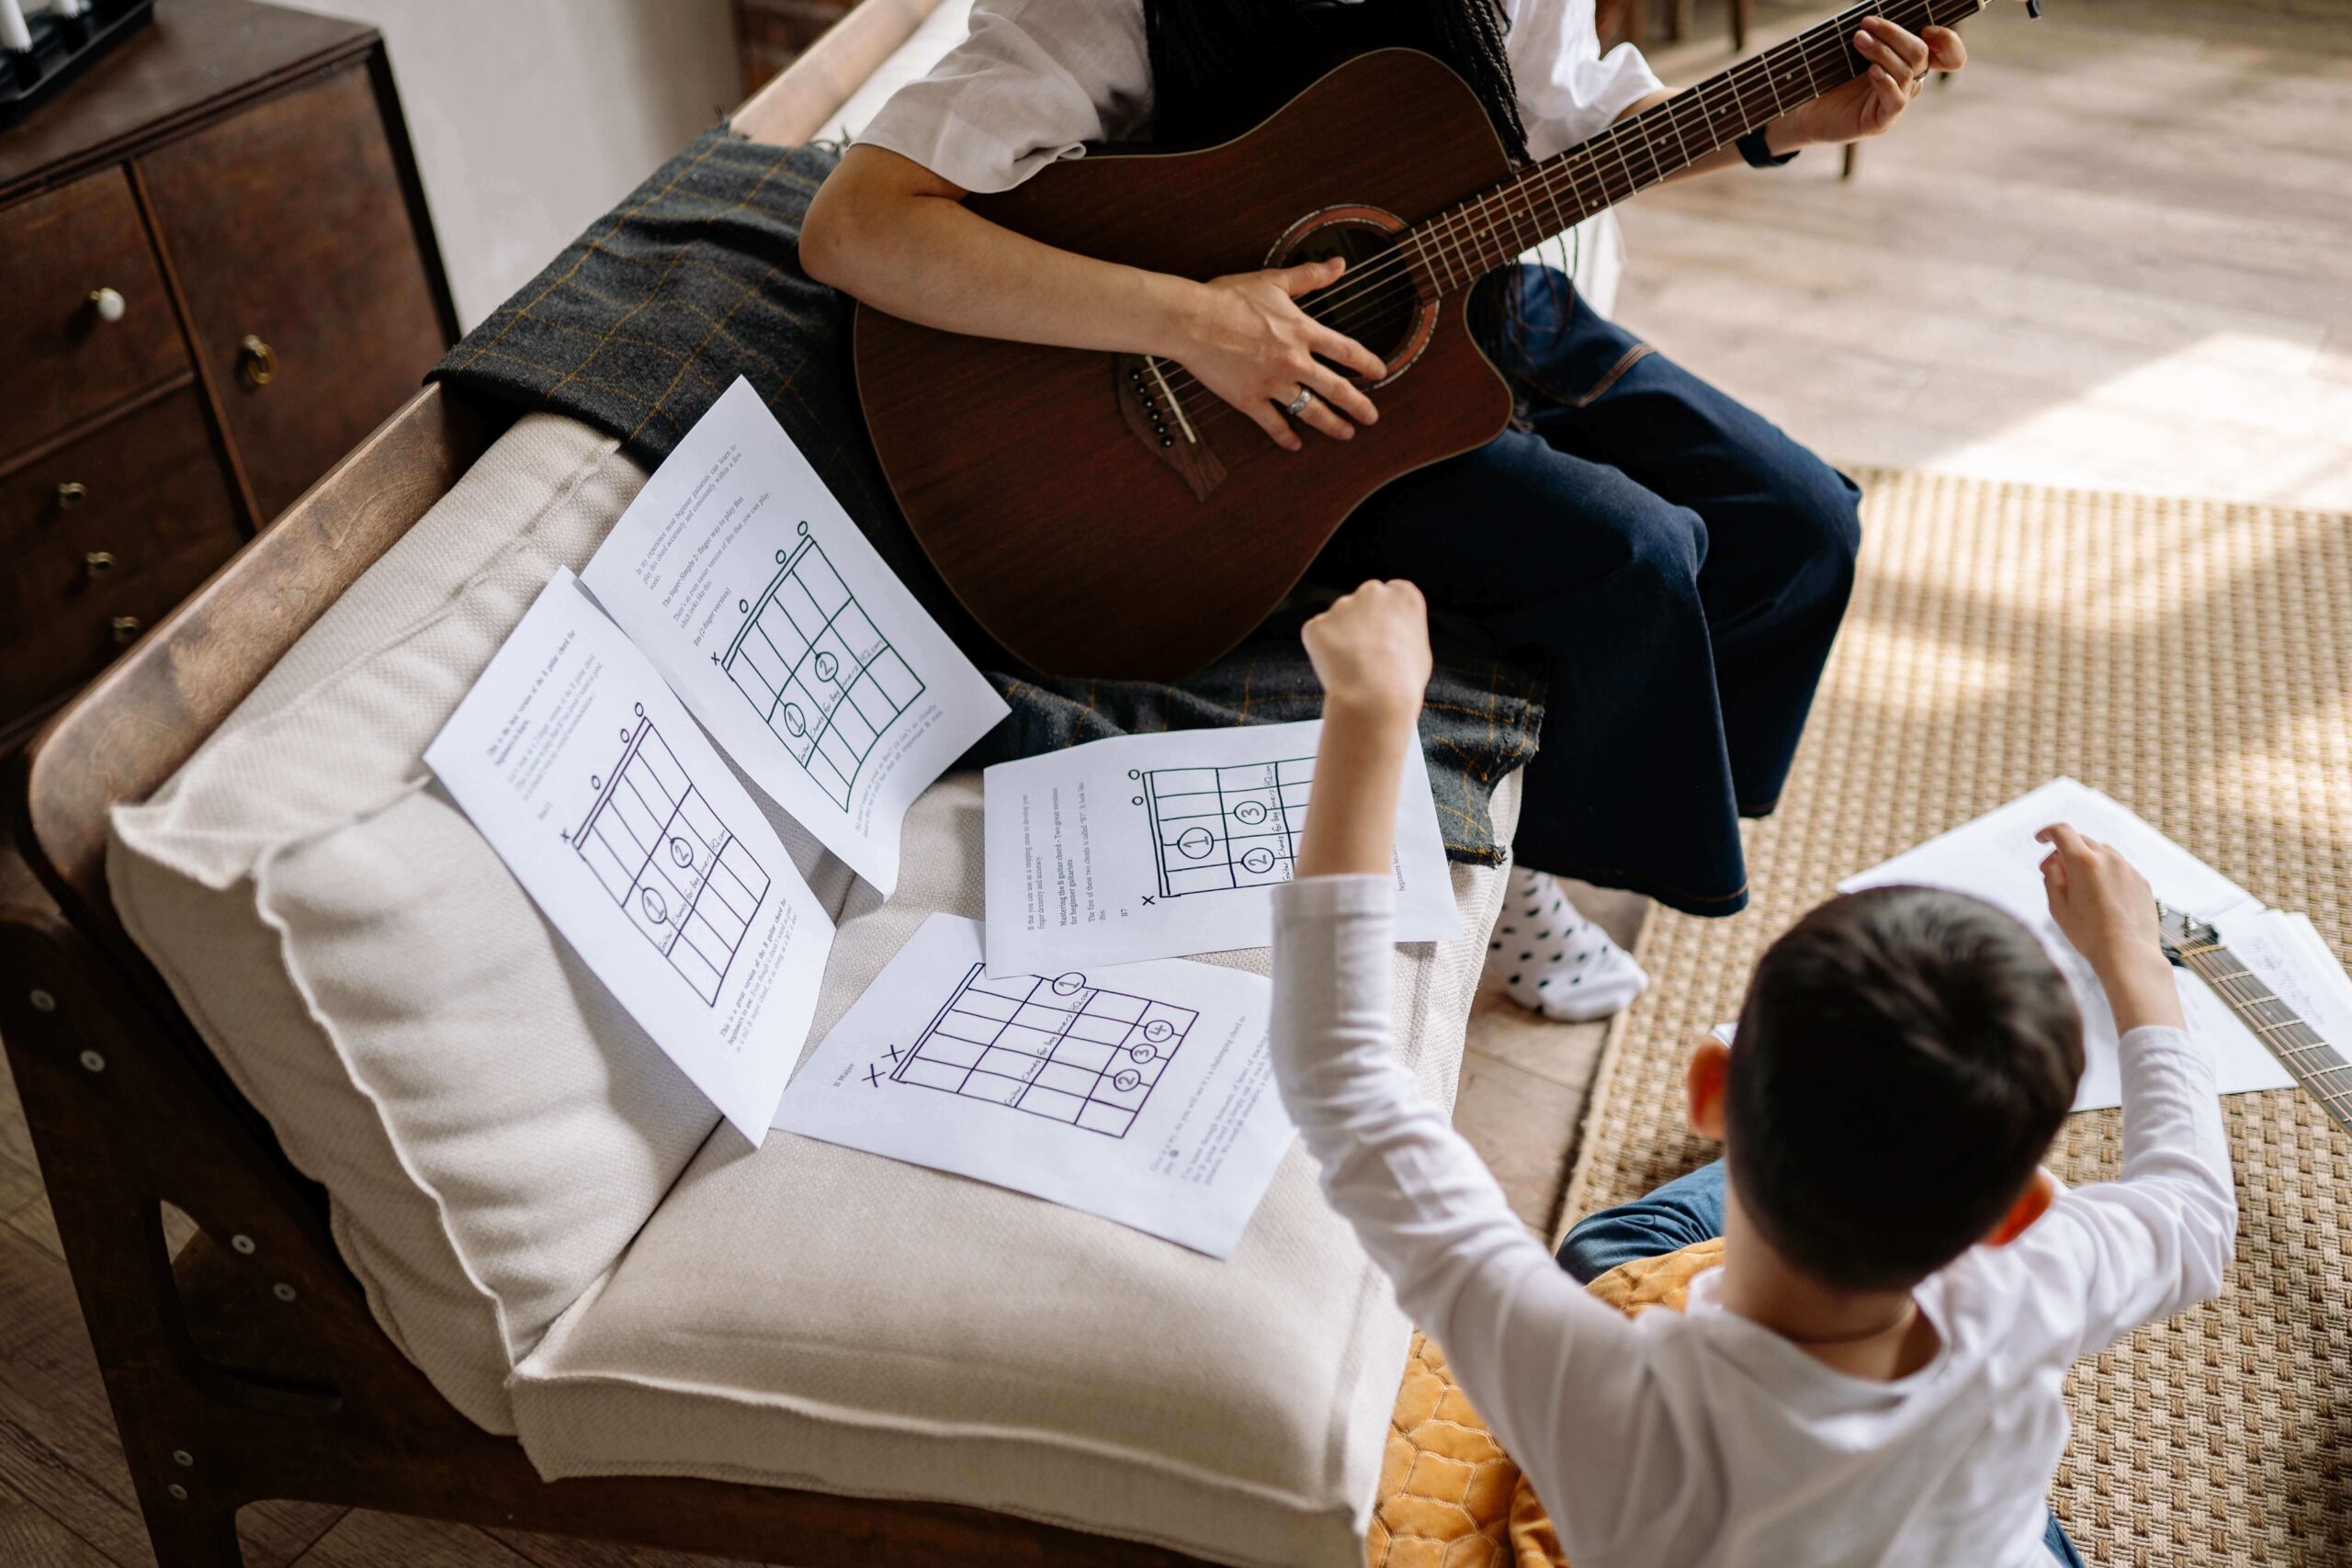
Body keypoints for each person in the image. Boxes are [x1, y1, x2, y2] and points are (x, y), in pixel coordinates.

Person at [801, 0, 1971, 1023]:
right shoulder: (1114, 7)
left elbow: (1572, 126)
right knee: (1637, 555)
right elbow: (854, 225)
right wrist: (1191, 323)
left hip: (1488, 306)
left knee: (1804, 524)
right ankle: (1536, 871)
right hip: (1272, 425)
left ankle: (1650, 793)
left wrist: (1783, 124)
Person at [1275, 580, 2236, 1567]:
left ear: (1710, 1091)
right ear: (2020, 1213)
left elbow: (1343, 1079)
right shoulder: (2038, 1282)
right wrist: (2132, 961)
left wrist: (1370, 707)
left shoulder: (1597, 1387)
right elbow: (2192, 1214)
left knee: (1618, 1245)